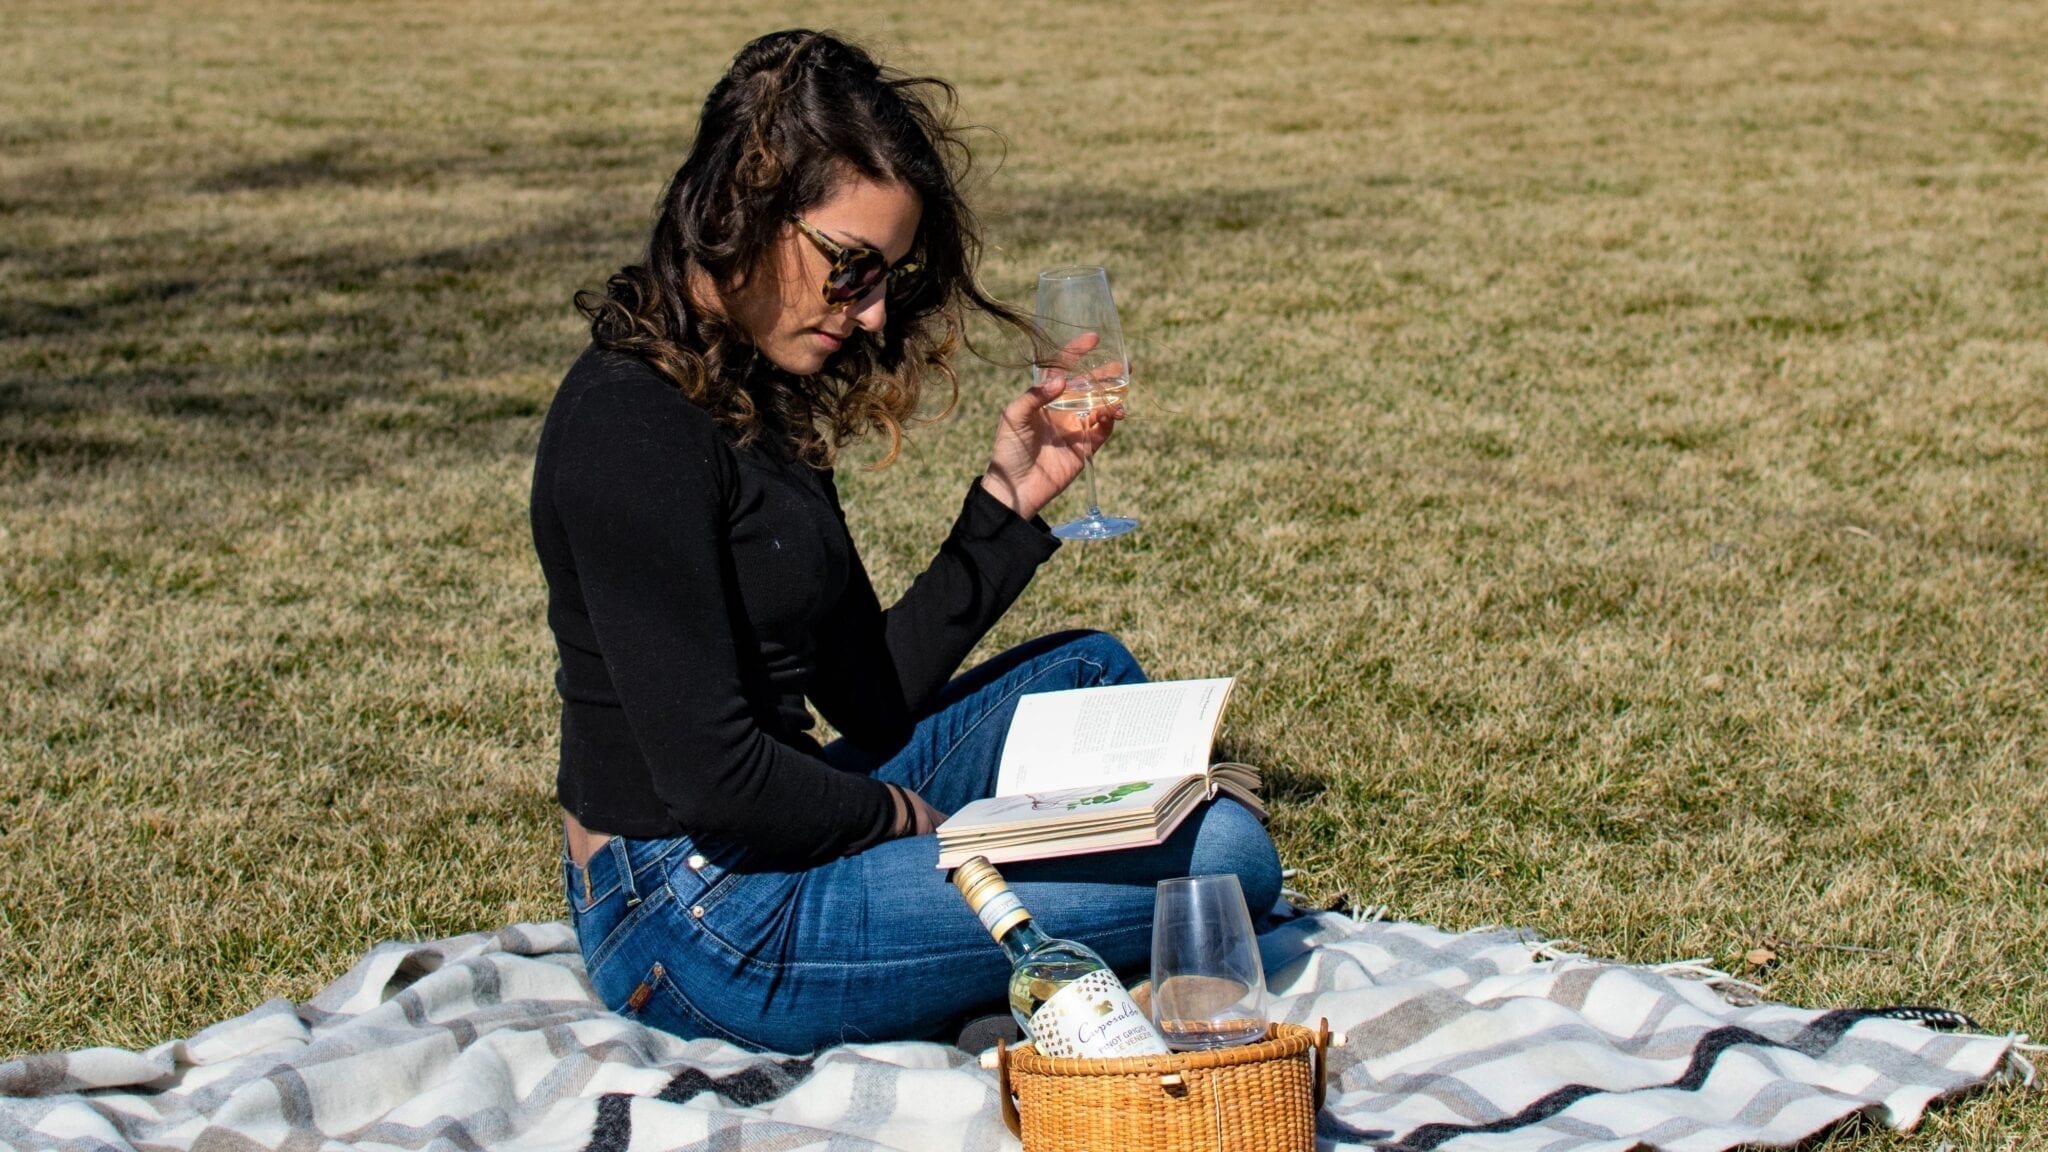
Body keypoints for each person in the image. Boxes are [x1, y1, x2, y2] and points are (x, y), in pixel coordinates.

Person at [530, 29, 1281, 1054]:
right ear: (736, 210)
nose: (875, 312)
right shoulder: (630, 427)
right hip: (697, 919)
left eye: (887, 276)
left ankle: (976, 946)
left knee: (1091, 672)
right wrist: (904, 819)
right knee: (1226, 855)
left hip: (772, 835)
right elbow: (713, 779)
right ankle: (989, 947)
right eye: (851, 269)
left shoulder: (755, 390)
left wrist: (1005, 505)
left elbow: (867, 694)